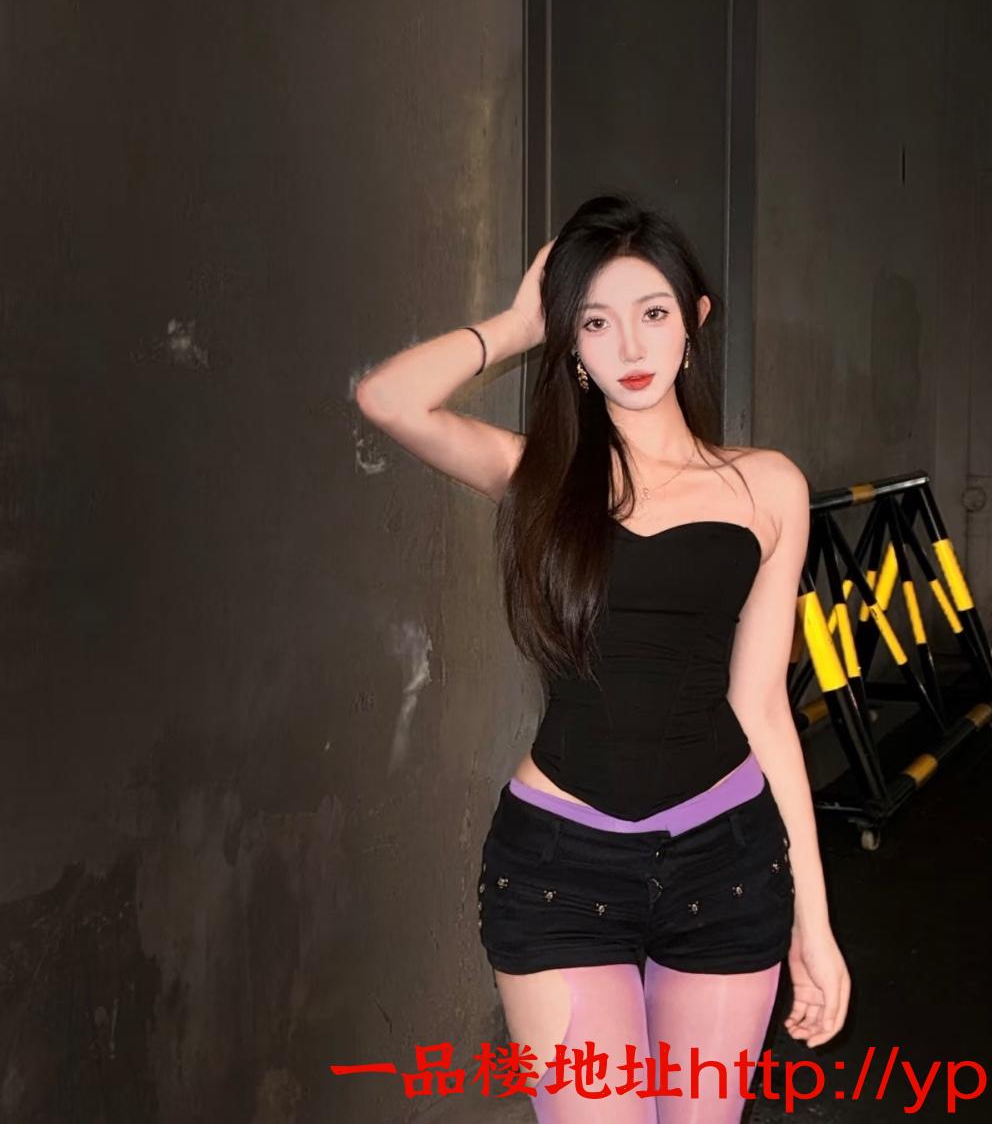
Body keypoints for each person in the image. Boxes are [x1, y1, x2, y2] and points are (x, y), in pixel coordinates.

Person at [355, 194, 850, 1120]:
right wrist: (517, 325)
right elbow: (387, 397)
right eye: (595, 322)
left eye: (653, 312)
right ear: (572, 347)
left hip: (726, 862)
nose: (629, 345)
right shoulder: (537, 475)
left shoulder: (768, 486)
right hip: (560, 868)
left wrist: (812, 925)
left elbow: (761, 705)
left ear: (694, 320)